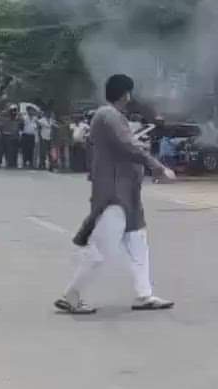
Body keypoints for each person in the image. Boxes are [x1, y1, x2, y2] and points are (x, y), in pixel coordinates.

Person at [55, 74, 176, 315]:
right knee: (101, 250)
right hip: (114, 194)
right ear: (126, 94)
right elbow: (127, 146)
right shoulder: (108, 115)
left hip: (127, 193)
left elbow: (123, 145)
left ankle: (144, 294)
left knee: (138, 243)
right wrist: (158, 166)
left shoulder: (111, 118)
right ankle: (71, 294)